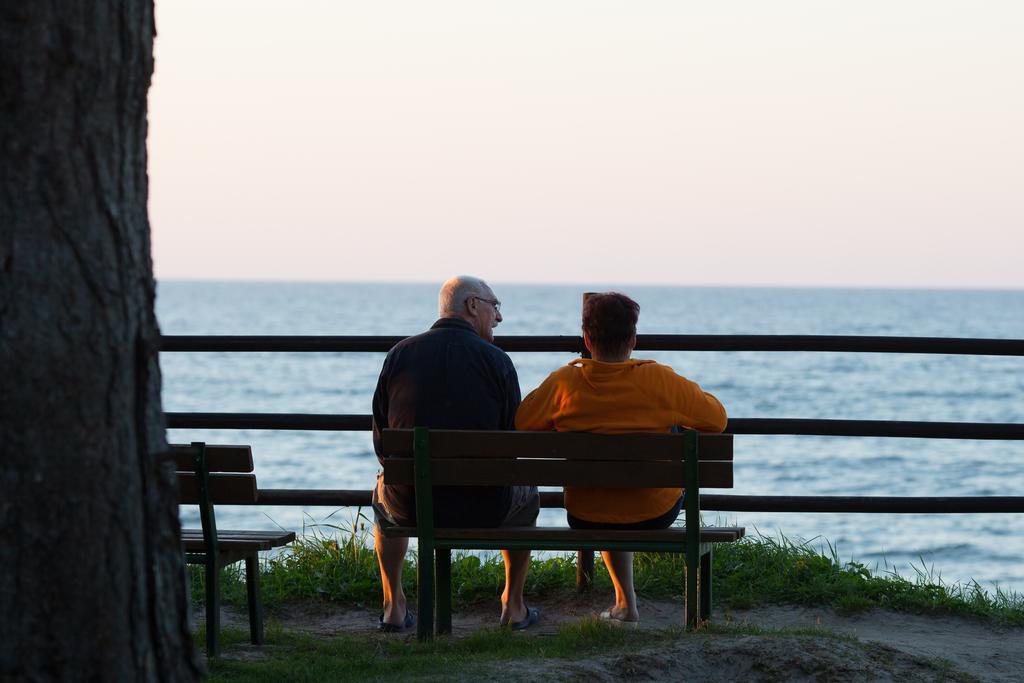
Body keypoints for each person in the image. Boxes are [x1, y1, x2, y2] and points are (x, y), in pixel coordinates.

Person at [515, 292, 727, 624]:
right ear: (633, 338)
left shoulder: (564, 382)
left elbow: (522, 422)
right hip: (654, 513)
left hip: (586, 514)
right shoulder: (660, 380)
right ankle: (628, 605)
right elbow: (717, 419)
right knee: (641, 473)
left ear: (586, 337)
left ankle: (626, 604)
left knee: (609, 493)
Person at [371, 275, 540, 631]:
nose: (499, 319)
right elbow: (514, 443)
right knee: (529, 495)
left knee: (384, 490)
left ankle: (393, 607)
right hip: (485, 506)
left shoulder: (400, 354)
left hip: (411, 505)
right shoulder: (497, 361)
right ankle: (513, 604)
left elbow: (382, 442)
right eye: (495, 307)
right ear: (472, 305)